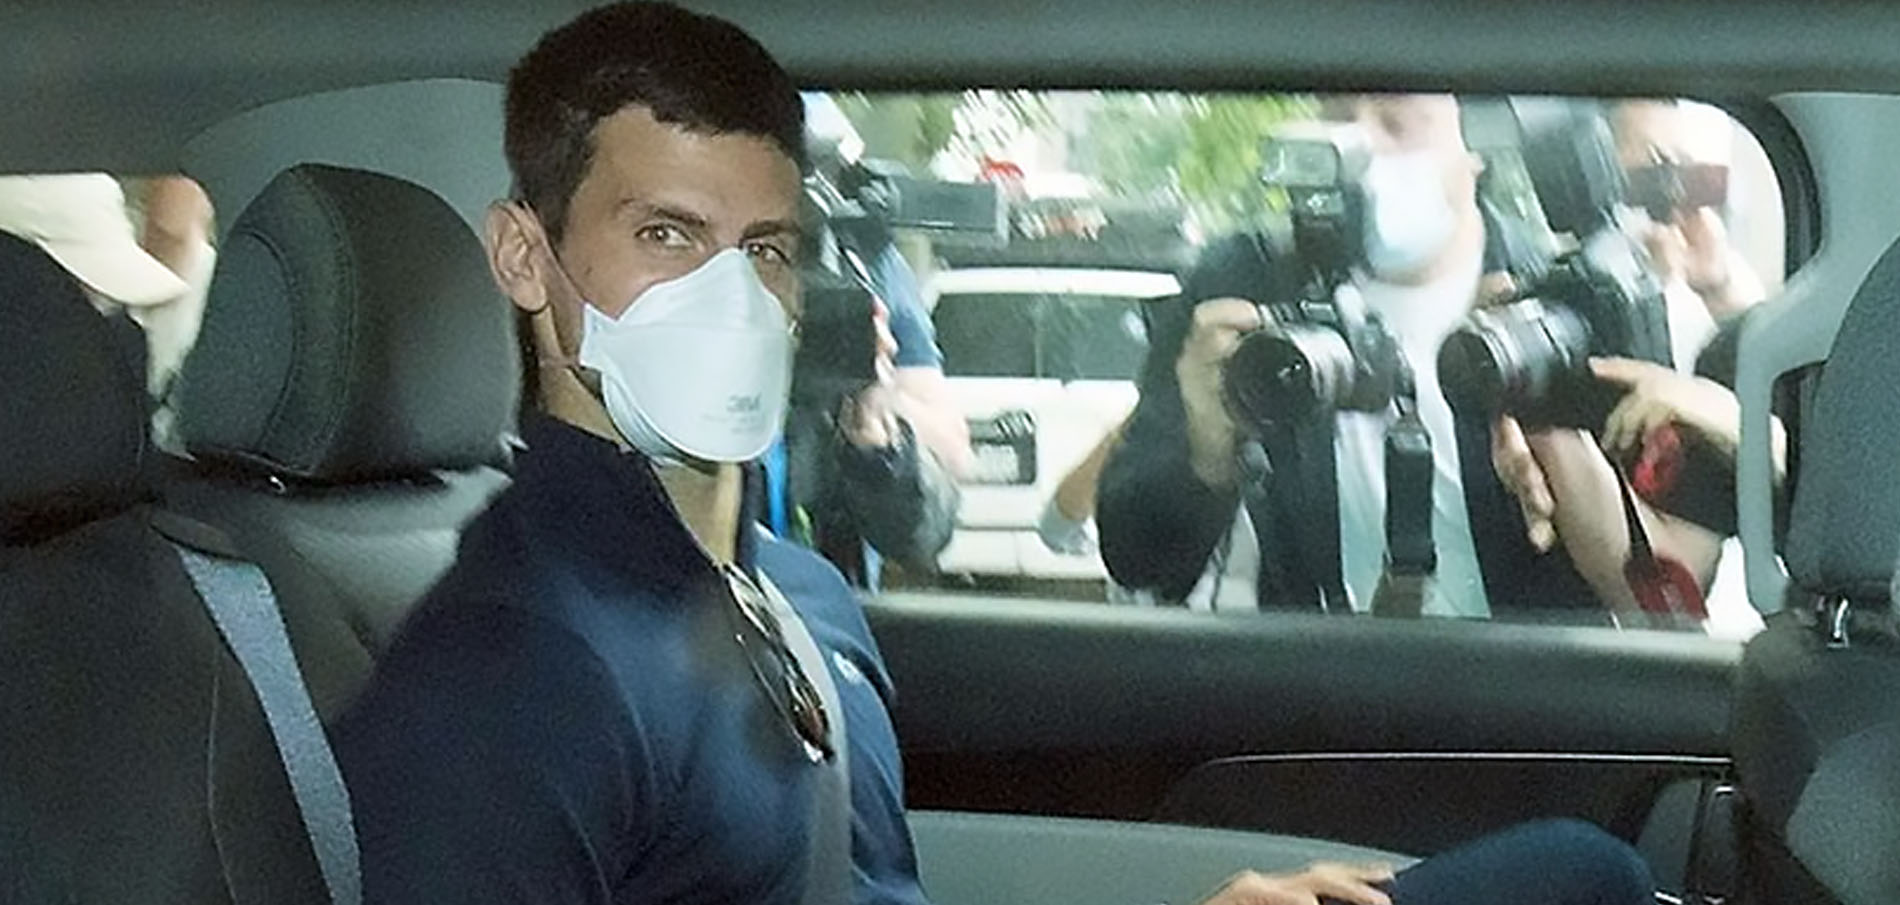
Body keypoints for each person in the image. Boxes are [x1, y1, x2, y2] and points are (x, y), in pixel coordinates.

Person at [332, 9, 1657, 903]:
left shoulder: (790, 588)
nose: (733, 298)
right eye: (668, 235)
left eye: (769, 249)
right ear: (526, 255)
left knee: (1576, 871)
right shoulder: (507, 682)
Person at [1098, 94, 1606, 620]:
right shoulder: (1246, 281)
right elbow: (1135, 558)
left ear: (1476, 139)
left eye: (1398, 124)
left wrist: (1561, 452)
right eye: (1340, 118)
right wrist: (1205, 452)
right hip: (1324, 664)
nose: (1367, 150)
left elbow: (1637, 577)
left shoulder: (1560, 297)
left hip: (1520, 667)